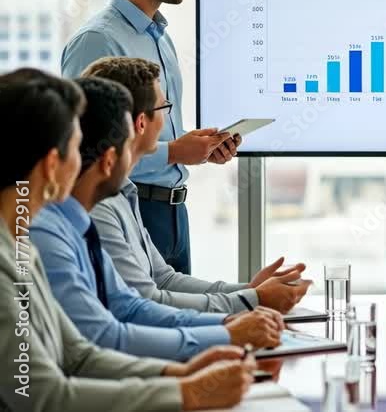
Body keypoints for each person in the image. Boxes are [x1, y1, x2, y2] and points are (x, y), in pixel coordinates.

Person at [0, 69, 253, 411]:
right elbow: (42, 395)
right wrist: (185, 391)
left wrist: (178, 374)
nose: (87, 158)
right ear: (51, 165)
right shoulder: (20, 255)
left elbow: (78, 354)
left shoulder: (22, 248)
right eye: (77, 147)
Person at [30, 76, 282, 360]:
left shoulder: (89, 215)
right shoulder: (64, 226)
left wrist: (240, 309)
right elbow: (104, 338)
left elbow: (132, 306)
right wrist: (241, 314)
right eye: (165, 109)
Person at [62, 0, 237, 275]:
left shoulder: (160, 37)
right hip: (127, 211)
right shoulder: (97, 41)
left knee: (184, 317)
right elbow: (87, 148)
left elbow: (154, 129)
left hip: (175, 215)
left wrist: (197, 148)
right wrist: (174, 152)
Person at [81, 56, 311, 313]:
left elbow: (164, 280)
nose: (169, 121)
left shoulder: (124, 193)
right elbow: (146, 302)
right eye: (163, 108)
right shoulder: (100, 206)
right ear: (141, 123)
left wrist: (250, 291)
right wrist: (252, 300)